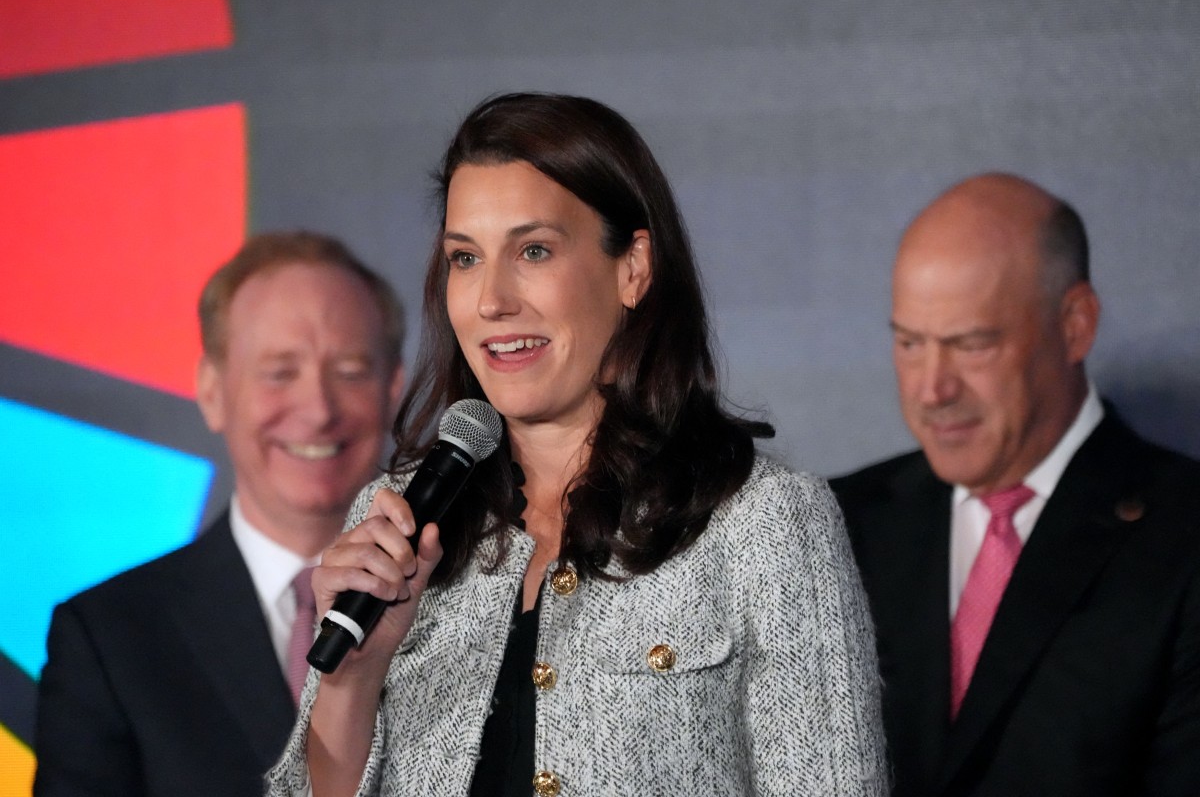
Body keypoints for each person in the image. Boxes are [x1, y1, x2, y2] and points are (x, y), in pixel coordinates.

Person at [265, 93, 886, 796]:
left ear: (633, 267)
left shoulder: (765, 523)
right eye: (465, 259)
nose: (492, 299)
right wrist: (351, 682)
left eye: (533, 251)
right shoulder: (398, 523)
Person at [831, 173, 1200, 796]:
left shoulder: (1184, 535)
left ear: (1076, 325)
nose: (931, 389)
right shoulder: (836, 524)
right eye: (909, 343)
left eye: (971, 345)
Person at [34, 232, 406, 797]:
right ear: (212, 392)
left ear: (393, 390)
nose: (318, 410)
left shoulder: (478, 608)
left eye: (351, 370)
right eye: (279, 372)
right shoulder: (110, 638)